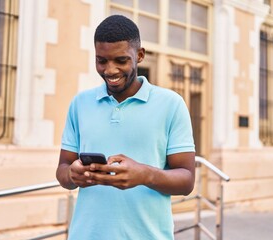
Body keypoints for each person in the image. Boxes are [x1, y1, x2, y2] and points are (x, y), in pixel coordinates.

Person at [56, 15, 195, 240]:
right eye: (102, 61)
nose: (110, 70)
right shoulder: (79, 104)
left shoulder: (172, 104)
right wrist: (73, 174)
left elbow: (187, 180)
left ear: (139, 55)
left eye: (121, 60)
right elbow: (62, 170)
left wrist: (144, 175)